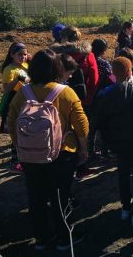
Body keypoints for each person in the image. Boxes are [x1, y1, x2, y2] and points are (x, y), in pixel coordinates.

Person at [8, 49, 89, 251]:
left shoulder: (22, 93)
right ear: (57, 68)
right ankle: (63, 237)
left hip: (30, 156)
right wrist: (83, 149)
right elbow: (82, 124)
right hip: (61, 153)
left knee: (36, 197)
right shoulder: (65, 92)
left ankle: (41, 238)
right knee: (59, 195)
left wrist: (21, 147)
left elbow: (12, 122)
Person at [95, 57, 133, 227]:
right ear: (130, 72)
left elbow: (100, 120)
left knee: (122, 173)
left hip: (117, 142)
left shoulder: (106, 94)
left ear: (113, 74)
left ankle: (125, 208)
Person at [52, 26, 99, 179]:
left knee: (62, 129)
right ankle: (82, 166)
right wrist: (89, 96)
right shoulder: (87, 55)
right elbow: (94, 79)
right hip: (83, 99)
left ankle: (60, 161)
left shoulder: (55, 54)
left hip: (59, 98)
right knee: (82, 130)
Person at [0, 42, 30, 173]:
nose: (23, 57)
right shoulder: (9, 69)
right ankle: (15, 162)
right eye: (20, 54)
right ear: (12, 55)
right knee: (16, 131)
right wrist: (18, 79)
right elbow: (6, 90)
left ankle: (22, 158)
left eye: (24, 54)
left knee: (23, 130)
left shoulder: (25, 65)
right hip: (14, 103)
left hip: (25, 101)